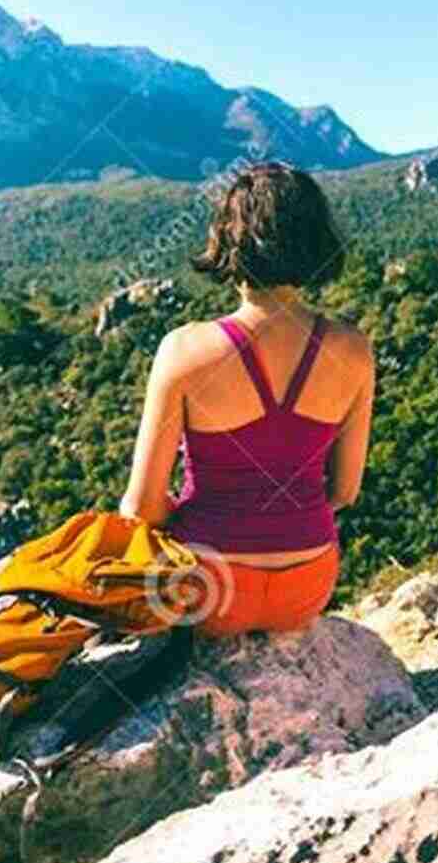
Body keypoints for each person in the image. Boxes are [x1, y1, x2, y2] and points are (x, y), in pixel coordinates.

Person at [119, 162, 374, 638]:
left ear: (228, 240)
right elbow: (344, 492)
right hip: (307, 586)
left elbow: (140, 507)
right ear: (317, 238)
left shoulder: (185, 350)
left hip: (207, 593)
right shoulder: (354, 350)